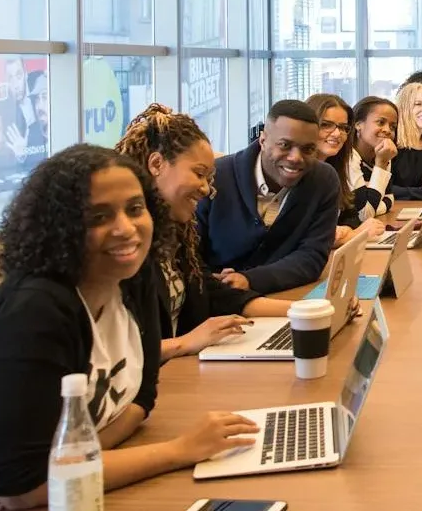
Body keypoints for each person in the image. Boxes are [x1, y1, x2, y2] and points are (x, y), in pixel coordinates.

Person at [0, 145, 258, 509]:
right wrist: (180, 450)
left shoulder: (133, 275)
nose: (126, 229)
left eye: (135, 209)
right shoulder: (36, 311)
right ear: (60, 227)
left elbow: (141, 400)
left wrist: (76, 460)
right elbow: (21, 487)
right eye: (99, 216)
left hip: (70, 499)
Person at [115, 104, 291, 360]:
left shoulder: (174, 236)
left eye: (207, 178)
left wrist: (304, 310)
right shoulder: (122, 250)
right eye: (199, 174)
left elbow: (213, 292)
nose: (206, 189)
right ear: (156, 164)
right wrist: (184, 343)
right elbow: (112, 353)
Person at [195, 99, 339, 295]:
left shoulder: (324, 180)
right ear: (263, 141)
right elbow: (190, 255)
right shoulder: (215, 177)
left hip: (285, 298)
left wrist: (250, 280)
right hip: (217, 303)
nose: (296, 157)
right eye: (285, 145)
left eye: (308, 149)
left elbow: (312, 257)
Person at [304, 93, 383, 247]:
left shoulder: (333, 170)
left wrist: (344, 231)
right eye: (326, 125)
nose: (336, 133)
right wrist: (355, 234)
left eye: (343, 127)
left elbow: (352, 217)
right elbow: (305, 235)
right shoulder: (295, 173)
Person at [348, 95, 398, 221]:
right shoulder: (349, 157)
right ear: (358, 125)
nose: (387, 130)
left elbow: (390, 198)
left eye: (393, 126)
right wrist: (381, 164)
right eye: (381, 122)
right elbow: (364, 214)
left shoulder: (383, 153)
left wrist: (373, 207)